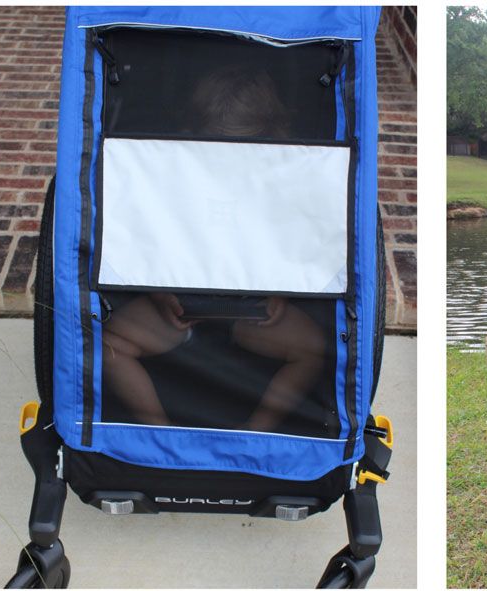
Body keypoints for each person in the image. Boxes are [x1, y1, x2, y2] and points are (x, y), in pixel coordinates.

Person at [101, 66, 325, 431]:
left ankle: (258, 432)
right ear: (191, 136)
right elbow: (149, 240)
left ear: (273, 136)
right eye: (216, 146)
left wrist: (280, 293)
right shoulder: (174, 177)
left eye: (246, 147)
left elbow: (296, 245)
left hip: (249, 310)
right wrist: (161, 294)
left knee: (315, 349)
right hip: (183, 302)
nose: (231, 158)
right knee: (108, 347)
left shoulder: (282, 182)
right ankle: (161, 432)